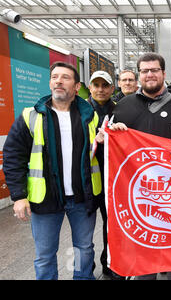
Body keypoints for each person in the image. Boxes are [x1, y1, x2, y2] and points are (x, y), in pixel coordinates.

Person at [97, 39, 171, 280]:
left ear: (163, 73)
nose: (150, 74)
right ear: (139, 75)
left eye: (155, 70)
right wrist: (111, 136)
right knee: (144, 264)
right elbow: (108, 144)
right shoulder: (123, 106)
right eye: (145, 71)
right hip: (139, 195)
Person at [3, 61, 102, 280]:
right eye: (55, 77)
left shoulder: (90, 116)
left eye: (65, 77)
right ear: (49, 83)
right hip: (45, 199)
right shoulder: (32, 116)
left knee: (84, 249)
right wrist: (19, 196)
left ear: (77, 87)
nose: (59, 81)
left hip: (82, 197)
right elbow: (12, 157)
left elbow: (102, 153)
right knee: (45, 255)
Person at [86, 70, 125, 280]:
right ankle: (85, 268)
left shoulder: (121, 111)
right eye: (96, 85)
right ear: (90, 87)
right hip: (89, 181)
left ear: (112, 88)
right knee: (85, 230)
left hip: (114, 181)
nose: (100, 89)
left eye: (105, 85)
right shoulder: (81, 110)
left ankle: (108, 263)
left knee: (111, 224)